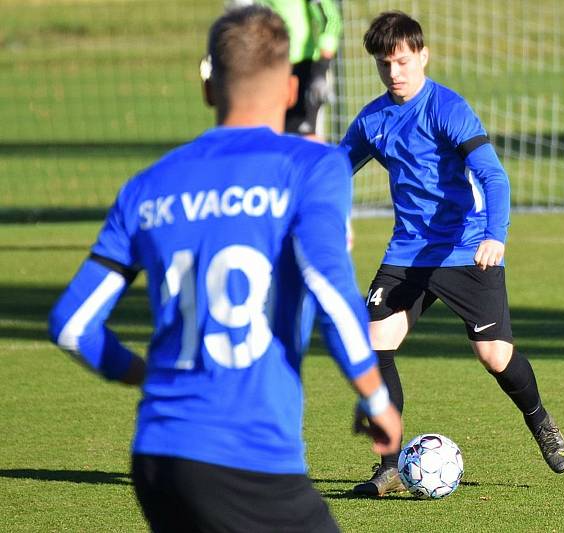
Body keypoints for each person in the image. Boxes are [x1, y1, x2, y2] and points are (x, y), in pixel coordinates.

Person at [48, 6, 401, 532]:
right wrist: (375, 395)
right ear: (289, 91)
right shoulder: (312, 167)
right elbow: (329, 287)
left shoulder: (146, 186)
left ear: (208, 88)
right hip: (249, 456)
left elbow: (72, 325)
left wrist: (144, 374)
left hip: (157, 459)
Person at [339, 11, 564, 497]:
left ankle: (540, 420)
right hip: (409, 252)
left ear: (422, 56)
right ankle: (388, 465)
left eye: (402, 61)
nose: (394, 73)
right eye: (385, 65)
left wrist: (496, 234)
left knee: (494, 356)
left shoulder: (447, 108)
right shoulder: (373, 119)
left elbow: (493, 175)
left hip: (468, 247)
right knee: (373, 345)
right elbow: (333, 172)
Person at [228, 0, 342, 139]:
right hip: (265, 68)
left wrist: (321, 70)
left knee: (304, 139)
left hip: (302, 68)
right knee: (264, 137)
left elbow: (330, 20)